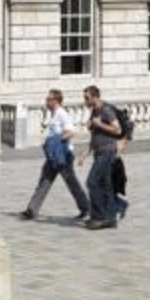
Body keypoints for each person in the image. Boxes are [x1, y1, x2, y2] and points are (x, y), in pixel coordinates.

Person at [21, 87, 88, 220]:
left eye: (49, 99)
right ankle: (32, 210)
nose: (46, 102)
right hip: (53, 156)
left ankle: (86, 208)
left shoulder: (61, 113)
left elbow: (71, 131)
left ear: (56, 101)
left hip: (63, 155)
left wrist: (55, 140)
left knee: (71, 183)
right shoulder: (53, 114)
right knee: (44, 181)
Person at [79, 86, 123, 231]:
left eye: (87, 97)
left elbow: (117, 129)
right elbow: (95, 136)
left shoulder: (106, 110)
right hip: (99, 151)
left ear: (95, 97)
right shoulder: (94, 111)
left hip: (107, 151)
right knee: (105, 186)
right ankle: (110, 219)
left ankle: (98, 217)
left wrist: (99, 124)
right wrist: (86, 153)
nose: (85, 100)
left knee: (92, 181)